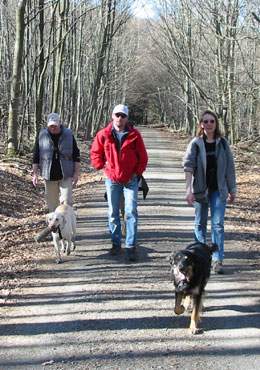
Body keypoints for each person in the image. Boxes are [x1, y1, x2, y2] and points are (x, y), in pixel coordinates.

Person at [90, 104, 148, 262]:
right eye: (117, 115)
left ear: (127, 118)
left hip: (131, 180)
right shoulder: (104, 134)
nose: (120, 118)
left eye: (123, 116)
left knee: (131, 212)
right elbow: (96, 152)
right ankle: (116, 244)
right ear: (112, 116)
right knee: (113, 213)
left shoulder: (135, 135)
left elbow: (143, 157)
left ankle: (130, 246)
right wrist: (101, 165)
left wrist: (137, 173)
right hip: (112, 179)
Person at [183, 110, 236, 274]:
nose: (208, 124)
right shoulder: (195, 143)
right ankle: (200, 257)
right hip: (200, 191)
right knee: (200, 224)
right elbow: (188, 167)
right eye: (205, 121)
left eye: (211, 121)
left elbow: (229, 169)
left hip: (219, 191)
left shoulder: (223, 144)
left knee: (218, 225)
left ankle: (217, 260)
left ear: (216, 123)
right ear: (201, 124)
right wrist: (188, 190)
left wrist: (232, 189)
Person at [32, 112, 80, 212]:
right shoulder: (42, 135)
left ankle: (67, 226)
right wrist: (35, 174)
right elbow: (36, 156)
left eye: (55, 125)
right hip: (49, 175)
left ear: (59, 124)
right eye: (51, 126)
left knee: (67, 203)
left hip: (66, 175)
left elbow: (76, 155)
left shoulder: (68, 134)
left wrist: (76, 173)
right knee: (52, 207)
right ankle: (55, 226)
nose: (53, 128)